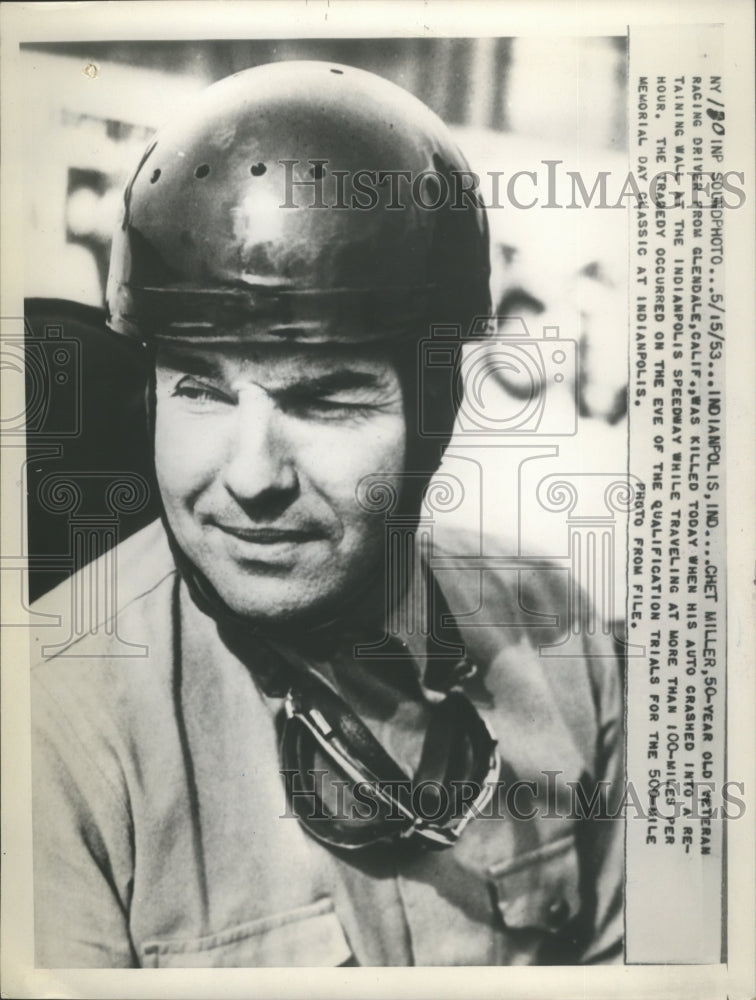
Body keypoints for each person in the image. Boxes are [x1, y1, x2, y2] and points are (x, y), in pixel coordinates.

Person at [31, 60, 623, 968]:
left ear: (435, 416)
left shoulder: (564, 642)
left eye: (324, 400)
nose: (252, 476)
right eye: (200, 389)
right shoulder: (44, 723)